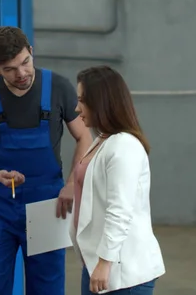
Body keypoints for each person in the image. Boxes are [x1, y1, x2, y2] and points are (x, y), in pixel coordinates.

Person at [0, 26, 93, 295]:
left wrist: (71, 185)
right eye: (10, 69)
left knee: (47, 288)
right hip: (0, 208)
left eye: (25, 62)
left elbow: (85, 138)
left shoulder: (58, 87)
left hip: (48, 206)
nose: (21, 74)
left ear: (31, 52)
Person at [70, 65, 166, 295]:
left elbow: (119, 210)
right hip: (97, 264)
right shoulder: (104, 140)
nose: (77, 108)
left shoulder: (123, 146)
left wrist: (105, 263)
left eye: (83, 100)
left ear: (102, 101)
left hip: (120, 272)